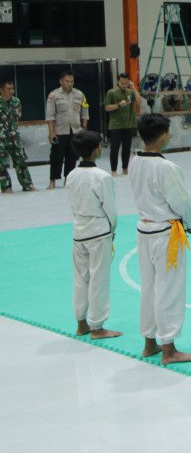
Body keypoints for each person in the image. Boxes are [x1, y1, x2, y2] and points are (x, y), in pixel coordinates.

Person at [130, 113, 191, 364]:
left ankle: (150, 342)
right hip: (165, 233)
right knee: (169, 288)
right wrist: (189, 220)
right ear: (162, 136)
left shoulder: (135, 162)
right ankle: (169, 348)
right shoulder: (166, 168)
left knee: (149, 287)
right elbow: (183, 203)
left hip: (144, 229)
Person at [65, 130, 121, 340]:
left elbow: (72, 204)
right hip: (98, 232)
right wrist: (112, 230)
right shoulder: (102, 177)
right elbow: (110, 208)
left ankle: (81, 322)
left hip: (79, 231)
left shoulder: (71, 175)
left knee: (80, 278)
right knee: (99, 278)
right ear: (96, 149)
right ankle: (97, 326)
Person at [46, 68, 89, 189]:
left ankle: (68, 180)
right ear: (61, 81)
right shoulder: (53, 95)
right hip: (60, 131)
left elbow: (85, 112)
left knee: (72, 157)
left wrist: (84, 128)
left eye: (71, 81)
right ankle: (52, 181)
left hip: (75, 131)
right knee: (56, 157)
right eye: (67, 81)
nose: (69, 83)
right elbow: (50, 116)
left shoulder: (80, 94)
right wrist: (51, 132)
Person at [0, 77, 35, 193]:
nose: (11, 91)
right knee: (2, 164)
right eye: (8, 89)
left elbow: (18, 117)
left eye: (12, 88)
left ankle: (28, 185)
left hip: (15, 138)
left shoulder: (16, 101)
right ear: (1, 90)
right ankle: (6, 187)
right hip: (1, 139)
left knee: (21, 162)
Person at [103, 72, 140, 176]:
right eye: (122, 83)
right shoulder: (111, 92)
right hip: (115, 125)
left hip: (128, 124)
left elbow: (139, 100)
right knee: (114, 149)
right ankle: (113, 170)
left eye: (126, 83)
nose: (124, 85)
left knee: (127, 149)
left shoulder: (130, 92)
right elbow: (107, 108)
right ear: (118, 81)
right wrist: (119, 105)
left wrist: (134, 88)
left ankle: (125, 168)